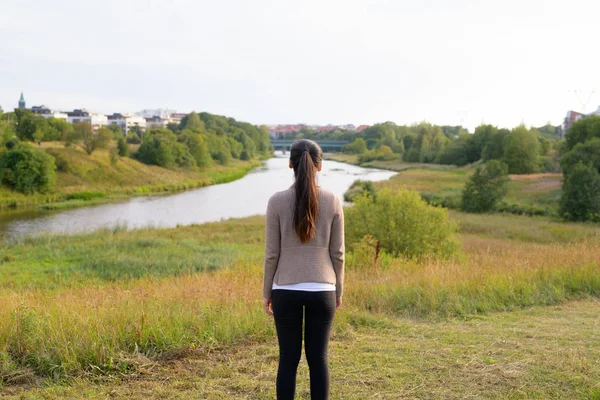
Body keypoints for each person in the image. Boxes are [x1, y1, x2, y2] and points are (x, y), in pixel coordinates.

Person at [263, 139, 345, 400]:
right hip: (323, 289)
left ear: (290, 164)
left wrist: (267, 292)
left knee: (288, 359)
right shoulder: (333, 201)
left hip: (285, 288)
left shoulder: (276, 201)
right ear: (319, 167)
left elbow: (272, 254)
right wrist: (338, 290)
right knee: (318, 359)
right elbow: (338, 254)